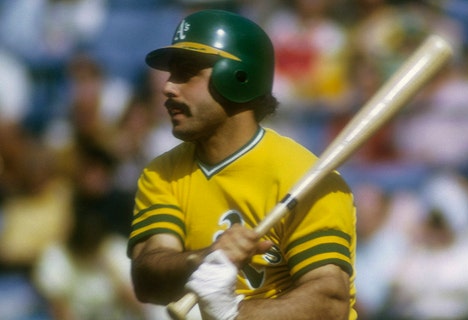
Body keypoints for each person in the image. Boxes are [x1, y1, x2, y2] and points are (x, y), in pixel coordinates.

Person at [127, 9, 357, 320]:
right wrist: (205, 258)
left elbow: (330, 303)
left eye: (186, 72)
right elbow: (148, 281)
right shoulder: (162, 173)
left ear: (238, 77)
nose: (168, 87)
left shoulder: (306, 176)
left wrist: (232, 312)